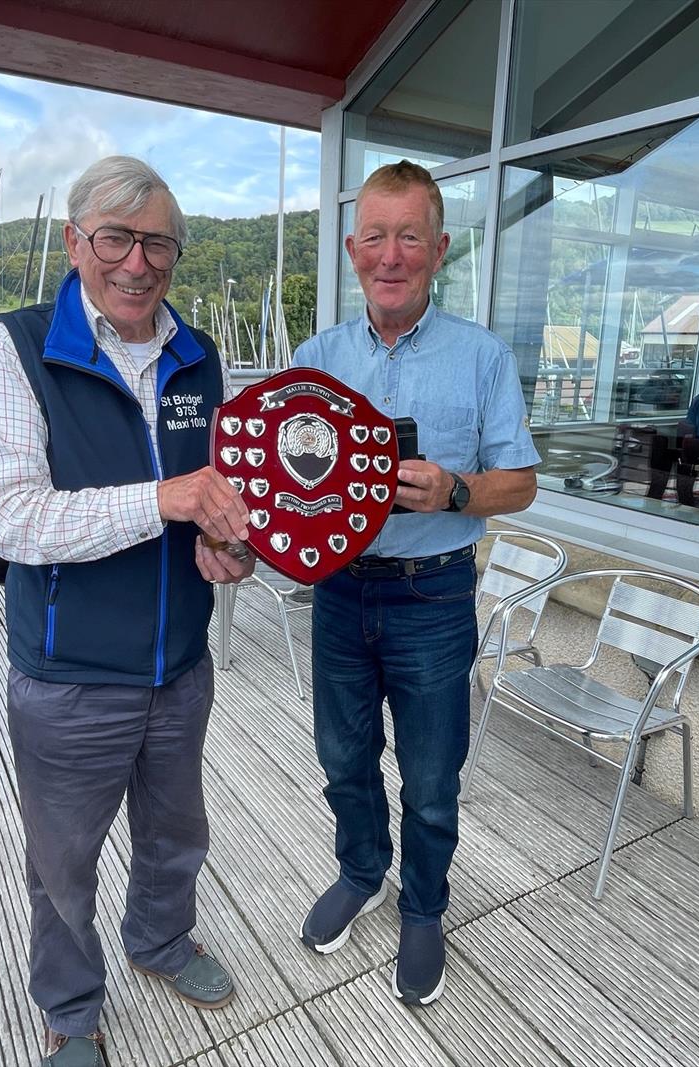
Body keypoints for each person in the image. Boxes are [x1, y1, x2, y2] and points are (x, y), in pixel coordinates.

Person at [0, 156, 254, 1067]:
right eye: (116, 239)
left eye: (159, 243)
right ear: (75, 242)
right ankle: (70, 1005)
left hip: (179, 662)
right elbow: (10, 516)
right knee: (63, 861)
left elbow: (214, 500)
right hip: (69, 677)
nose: (138, 263)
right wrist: (167, 500)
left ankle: (162, 942)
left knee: (177, 833)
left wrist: (224, 542)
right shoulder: (18, 345)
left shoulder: (198, 353)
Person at [292, 161, 539, 1006]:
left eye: (409, 237)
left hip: (433, 595)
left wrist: (457, 489)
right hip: (338, 592)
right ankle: (363, 869)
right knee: (341, 757)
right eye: (374, 236)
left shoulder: (482, 356)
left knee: (433, 776)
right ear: (353, 248)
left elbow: (523, 481)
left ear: (437, 249)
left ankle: (424, 906)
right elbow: (288, 483)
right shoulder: (314, 359)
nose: (389, 255)